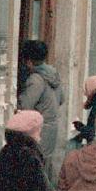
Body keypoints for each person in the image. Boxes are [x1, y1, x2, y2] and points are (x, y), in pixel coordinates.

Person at [18, 39, 63, 169]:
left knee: (34, 168)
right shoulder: (54, 75)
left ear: (28, 61)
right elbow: (61, 99)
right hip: (52, 128)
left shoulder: (36, 79)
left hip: (37, 130)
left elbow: (25, 106)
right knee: (44, 167)